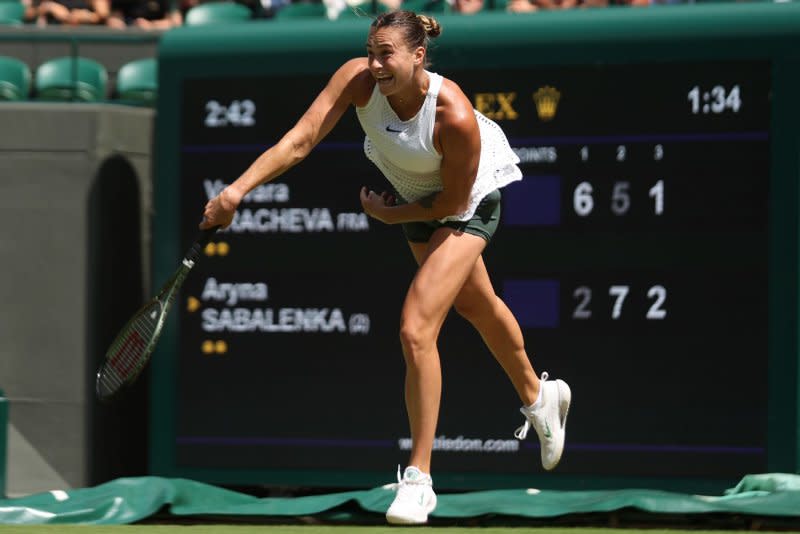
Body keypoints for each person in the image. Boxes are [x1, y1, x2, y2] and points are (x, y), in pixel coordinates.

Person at [199, 10, 571, 526]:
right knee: (475, 304)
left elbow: (451, 204)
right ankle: (540, 395)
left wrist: (390, 214)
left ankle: (419, 479)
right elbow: (300, 140)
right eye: (370, 52)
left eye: (386, 54)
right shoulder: (356, 79)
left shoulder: (453, 117)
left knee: (416, 329)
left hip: (465, 206)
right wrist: (237, 191)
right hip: (414, 197)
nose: (374, 64)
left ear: (418, 56)